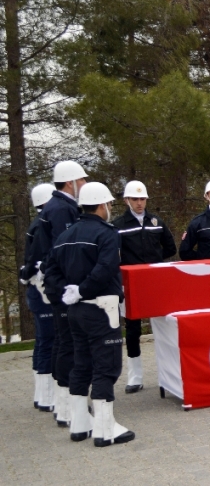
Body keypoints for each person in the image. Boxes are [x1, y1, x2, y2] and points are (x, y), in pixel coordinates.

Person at [43, 182, 135, 447]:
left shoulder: (65, 235)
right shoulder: (107, 233)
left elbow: (51, 271)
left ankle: (80, 424)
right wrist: (82, 290)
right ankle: (105, 429)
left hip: (75, 310)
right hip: (100, 307)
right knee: (106, 366)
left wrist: (68, 291)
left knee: (81, 363)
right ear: (102, 205)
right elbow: (106, 267)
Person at [27, 160, 87, 427]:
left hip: (57, 283)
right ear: (69, 182)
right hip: (62, 285)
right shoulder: (61, 209)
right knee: (68, 343)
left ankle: (61, 400)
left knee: (63, 342)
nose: (84, 185)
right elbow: (66, 251)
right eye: (81, 181)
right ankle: (65, 403)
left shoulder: (57, 207)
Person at [112, 180, 177, 393]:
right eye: (135, 199)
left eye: (142, 199)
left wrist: (154, 261)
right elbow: (113, 254)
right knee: (132, 330)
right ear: (126, 200)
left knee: (164, 326)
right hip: (132, 284)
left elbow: (170, 247)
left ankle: (168, 375)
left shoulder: (156, 221)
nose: (139, 203)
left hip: (155, 281)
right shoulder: (119, 225)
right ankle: (135, 377)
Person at [19, 184, 56, 412]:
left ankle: (41, 392)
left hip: (35, 289)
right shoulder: (41, 226)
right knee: (48, 340)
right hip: (40, 290)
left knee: (42, 340)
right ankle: (46, 394)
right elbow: (36, 262)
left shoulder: (37, 224)